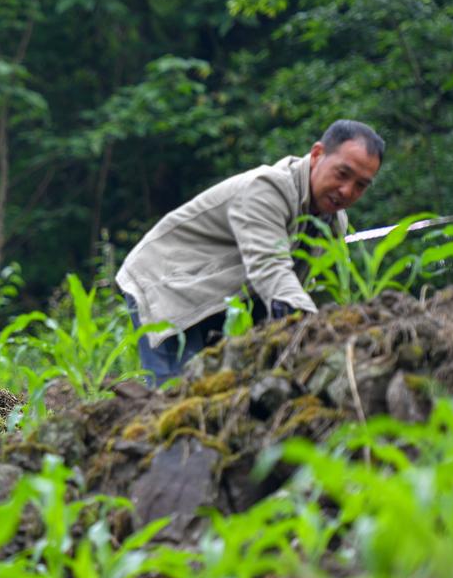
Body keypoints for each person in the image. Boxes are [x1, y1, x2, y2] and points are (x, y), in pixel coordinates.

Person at [116, 119, 384, 386]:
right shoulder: (267, 190)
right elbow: (270, 268)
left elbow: (310, 287)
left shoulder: (333, 221)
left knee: (224, 390)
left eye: (360, 185)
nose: (347, 191)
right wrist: (315, 328)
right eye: (342, 174)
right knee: (177, 393)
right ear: (317, 155)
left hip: (223, 295)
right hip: (167, 284)